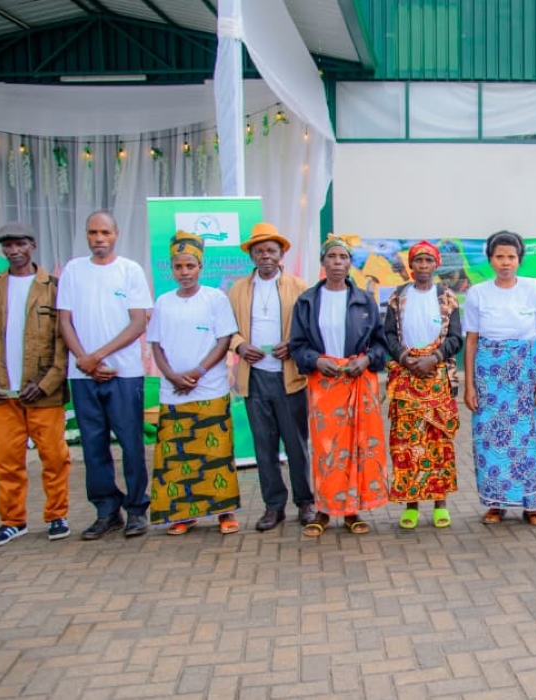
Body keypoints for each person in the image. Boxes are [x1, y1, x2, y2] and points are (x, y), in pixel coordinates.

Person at [0, 222, 72, 547]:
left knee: (54, 457)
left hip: (43, 393)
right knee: (7, 459)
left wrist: (47, 383)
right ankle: (13, 521)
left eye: (20, 244)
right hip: (4, 392)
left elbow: (63, 342)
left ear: (33, 245)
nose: (14, 251)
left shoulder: (53, 286)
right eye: (8, 245)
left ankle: (57, 516)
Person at [58, 210, 152, 540]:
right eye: (93, 232)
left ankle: (137, 510)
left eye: (105, 233)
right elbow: (65, 321)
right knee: (94, 446)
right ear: (86, 235)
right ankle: (106, 510)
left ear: (116, 234)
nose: (99, 238)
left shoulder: (130, 271)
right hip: (83, 375)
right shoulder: (73, 270)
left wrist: (96, 356)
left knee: (130, 444)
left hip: (123, 373)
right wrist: (84, 361)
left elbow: (139, 322)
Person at [290, 235, 389, 536]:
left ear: (349, 263)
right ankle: (323, 510)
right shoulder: (307, 301)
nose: (337, 263)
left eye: (343, 258)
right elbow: (297, 345)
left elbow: (380, 344)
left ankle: (352, 511)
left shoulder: (364, 301)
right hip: (324, 384)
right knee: (326, 450)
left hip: (357, 380)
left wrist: (367, 360)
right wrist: (316, 360)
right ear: (323, 262)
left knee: (358, 448)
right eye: (331, 257)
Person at [147, 231, 241, 535]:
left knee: (216, 455)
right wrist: (172, 376)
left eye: (190, 266)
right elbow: (156, 346)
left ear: (200, 266)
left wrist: (198, 372)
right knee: (178, 456)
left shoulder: (215, 298)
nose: (184, 272)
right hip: (174, 391)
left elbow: (224, 339)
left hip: (209, 388)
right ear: (171, 270)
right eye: (178, 267)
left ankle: (224, 513)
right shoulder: (163, 302)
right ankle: (182, 515)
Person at [463, 230, 536, 527]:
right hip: (490, 377)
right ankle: (496, 504)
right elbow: (472, 341)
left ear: (519, 259)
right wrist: (469, 385)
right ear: (490, 259)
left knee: (528, 440)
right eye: (499, 256)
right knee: (490, 441)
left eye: (511, 257)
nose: (506, 262)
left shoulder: (534, 289)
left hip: (527, 374)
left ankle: (532, 506)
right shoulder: (478, 293)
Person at [228, 223, 315, 532]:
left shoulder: (299, 286)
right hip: (254, 377)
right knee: (263, 446)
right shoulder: (238, 289)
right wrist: (241, 346)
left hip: (289, 377)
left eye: (271, 251)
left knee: (296, 444)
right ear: (251, 255)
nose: (265, 256)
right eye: (259, 250)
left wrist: (293, 345)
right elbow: (228, 331)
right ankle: (273, 506)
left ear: (281, 255)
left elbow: (310, 329)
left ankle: (305, 503)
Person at [384, 240, 463, 529]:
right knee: (407, 443)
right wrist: (406, 358)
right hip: (406, 377)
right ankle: (411, 505)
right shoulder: (398, 296)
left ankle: (440, 504)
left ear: (436, 265)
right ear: (411, 265)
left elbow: (456, 337)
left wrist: (434, 358)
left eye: (429, 261)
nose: (423, 266)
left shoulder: (448, 297)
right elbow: (388, 336)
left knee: (439, 443)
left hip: (437, 377)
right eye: (418, 261)